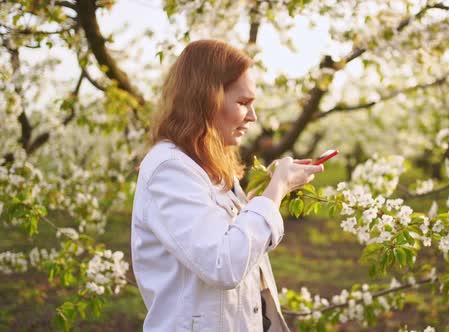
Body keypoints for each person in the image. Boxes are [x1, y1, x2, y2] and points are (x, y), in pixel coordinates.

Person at [130, 39, 324, 332]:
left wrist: (263, 194)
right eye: (243, 103)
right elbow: (224, 264)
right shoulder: (169, 169)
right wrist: (277, 189)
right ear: (205, 99)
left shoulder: (208, 164)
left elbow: (230, 238)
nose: (253, 116)